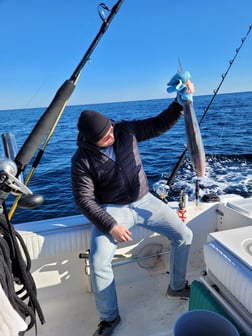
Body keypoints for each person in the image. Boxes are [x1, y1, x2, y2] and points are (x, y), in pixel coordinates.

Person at [71, 73, 194, 336]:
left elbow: (158, 125)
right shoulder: (81, 159)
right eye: (105, 136)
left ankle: (176, 287)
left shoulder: (125, 130)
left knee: (184, 235)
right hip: (112, 210)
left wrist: (179, 103)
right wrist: (111, 225)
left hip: (146, 200)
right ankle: (109, 318)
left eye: (110, 129)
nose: (111, 135)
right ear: (91, 141)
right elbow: (84, 199)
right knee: (99, 259)